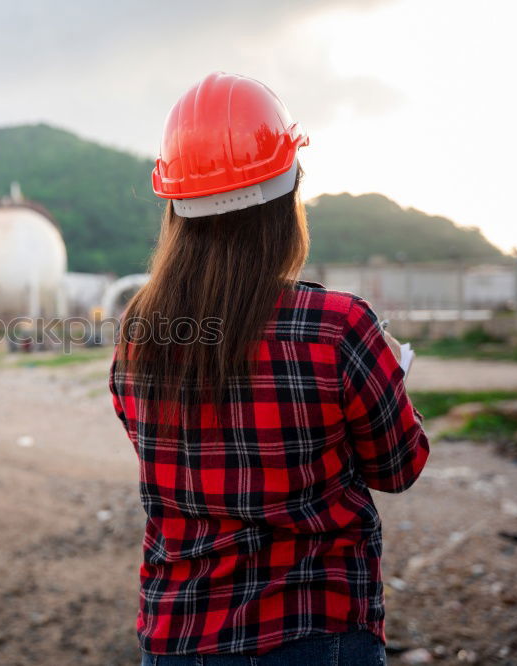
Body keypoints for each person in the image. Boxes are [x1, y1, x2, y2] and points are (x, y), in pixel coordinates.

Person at [109, 73, 429, 666]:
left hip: (181, 635)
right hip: (320, 629)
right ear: (289, 198)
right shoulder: (338, 326)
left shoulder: (139, 332)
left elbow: (164, 459)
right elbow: (399, 467)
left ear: (175, 207)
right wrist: (388, 379)